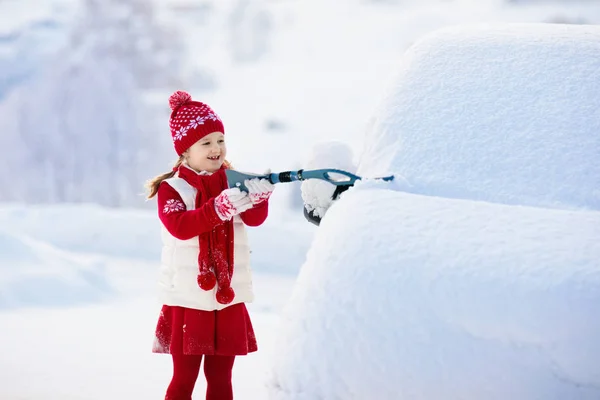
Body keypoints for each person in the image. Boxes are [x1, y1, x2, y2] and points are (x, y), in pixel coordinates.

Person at [145, 90, 275, 400]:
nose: (216, 148)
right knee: (184, 378)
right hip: (189, 299)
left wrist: (258, 199)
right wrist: (216, 210)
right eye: (206, 143)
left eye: (220, 140)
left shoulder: (233, 180)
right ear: (185, 151)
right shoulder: (172, 189)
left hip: (226, 299)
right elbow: (180, 226)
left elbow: (254, 219)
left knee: (221, 379)